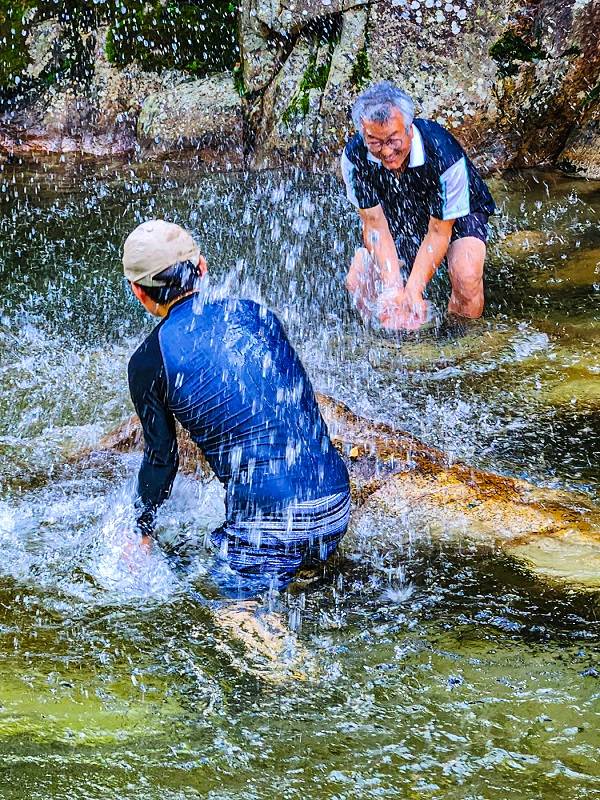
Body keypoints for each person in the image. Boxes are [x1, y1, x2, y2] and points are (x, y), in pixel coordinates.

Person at [122, 219, 351, 597]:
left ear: (137, 291)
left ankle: (267, 625)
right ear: (202, 267)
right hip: (336, 503)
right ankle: (301, 566)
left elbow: (161, 460)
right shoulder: (254, 313)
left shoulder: (149, 360)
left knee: (232, 612)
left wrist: (141, 530)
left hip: (271, 524)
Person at [341, 81, 496, 330]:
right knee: (358, 281)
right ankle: (385, 339)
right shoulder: (354, 157)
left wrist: (413, 290)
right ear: (363, 132)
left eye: (393, 140)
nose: (386, 152)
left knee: (466, 278)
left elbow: (439, 232)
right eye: (375, 142)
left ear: (409, 129)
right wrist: (393, 288)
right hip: (398, 210)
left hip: (458, 212)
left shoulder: (443, 154)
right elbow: (374, 226)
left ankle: (459, 339)